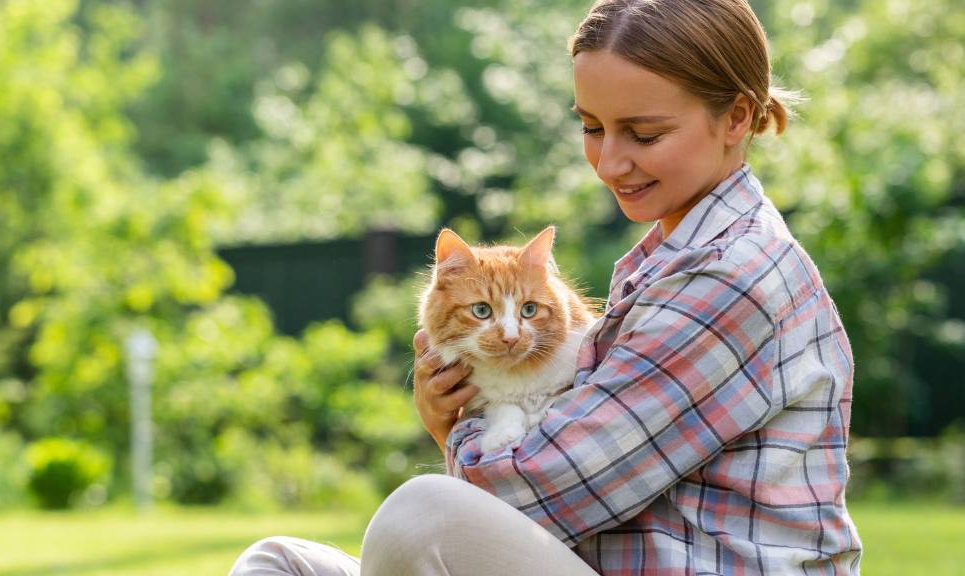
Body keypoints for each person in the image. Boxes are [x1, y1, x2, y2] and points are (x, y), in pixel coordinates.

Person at [229, 0, 863, 574]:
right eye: (592, 127)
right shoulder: (671, 258)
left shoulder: (732, 278)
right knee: (279, 563)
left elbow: (540, 491)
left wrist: (450, 427)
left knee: (421, 516)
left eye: (644, 134)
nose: (609, 162)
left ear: (738, 117)